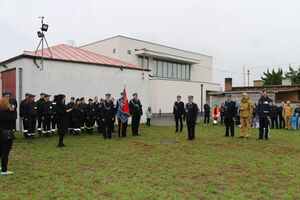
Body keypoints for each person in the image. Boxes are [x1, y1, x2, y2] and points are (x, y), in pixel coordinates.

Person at [0, 98, 15, 175]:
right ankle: (4, 170)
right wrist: (12, 110)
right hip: (6, 135)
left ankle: (2, 167)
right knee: (5, 153)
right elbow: (12, 118)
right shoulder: (6, 114)